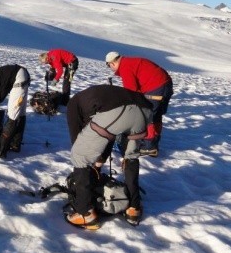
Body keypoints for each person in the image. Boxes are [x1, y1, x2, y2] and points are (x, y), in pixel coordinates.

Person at [66, 84, 153, 229]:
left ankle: (85, 213)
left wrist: (90, 167)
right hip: (145, 110)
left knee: (79, 155)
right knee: (131, 156)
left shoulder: (73, 105)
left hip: (119, 111)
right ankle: (134, 209)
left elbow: (78, 141)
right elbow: (109, 135)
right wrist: (99, 164)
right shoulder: (95, 97)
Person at [105, 51, 173, 157]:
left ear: (112, 63)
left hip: (156, 87)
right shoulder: (130, 62)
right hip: (165, 84)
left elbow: (131, 92)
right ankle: (152, 145)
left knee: (147, 115)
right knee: (156, 116)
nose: (112, 69)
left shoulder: (125, 67)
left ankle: (149, 147)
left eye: (110, 66)